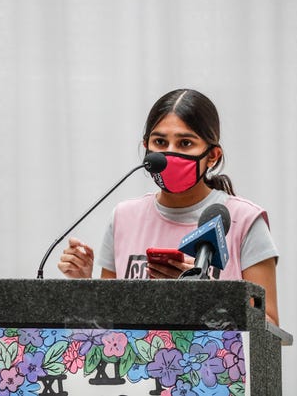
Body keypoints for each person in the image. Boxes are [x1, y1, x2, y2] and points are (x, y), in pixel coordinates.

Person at [57, 88, 279, 325]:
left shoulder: (244, 220)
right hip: (132, 362)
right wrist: (83, 284)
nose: (170, 153)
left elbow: (269, 325)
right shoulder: (124, 217)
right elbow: (106, 320)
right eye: (160, 142)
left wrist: (207, 296)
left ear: (212, 156)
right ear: (146, 147)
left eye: (185, 143)